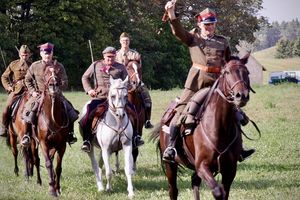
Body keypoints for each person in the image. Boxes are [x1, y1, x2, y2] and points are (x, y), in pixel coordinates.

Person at [162, 3, 255, 163]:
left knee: (235, 114)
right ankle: (171, 147)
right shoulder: (193, 38)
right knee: (180, 113)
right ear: (200, 24)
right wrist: (171, 13)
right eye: (206, 24)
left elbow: (227, 63)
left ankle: (238, 149)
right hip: (195, 83)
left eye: (211, 24)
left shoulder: (223, 41)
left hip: (218, 83)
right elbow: (178, 32)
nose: (209, 27)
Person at [80, 46, 144, 153]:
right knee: (87, 115)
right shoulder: (95, 65)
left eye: (112, 57)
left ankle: (135, 137)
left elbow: (126, 82)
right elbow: (85, 77)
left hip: (117, 99)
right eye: (108, 57)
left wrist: (128, 88)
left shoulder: (120, 67)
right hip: (100, 97)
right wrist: (89, 90)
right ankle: (87, 140)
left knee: (133, 111)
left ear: (115, 56)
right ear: (104, 56)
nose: (110, 59)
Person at [22, 42, 78, 146]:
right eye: (45, 53)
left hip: (57, 95)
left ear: (52, 53)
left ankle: (70, 134)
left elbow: (65, 81)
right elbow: (27, 80)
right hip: (39, 95)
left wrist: (58, 89)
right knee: (28, 110)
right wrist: (33, 91)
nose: (47, 55)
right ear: (41, 54)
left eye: (49, 53)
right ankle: (27, 135)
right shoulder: (35, 65)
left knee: (70, 111)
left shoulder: (59, 66)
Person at [116, 32, 153, 129]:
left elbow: (139, 68)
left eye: (127, 40)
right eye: (123, 41)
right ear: (120, 42)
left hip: (135, 79)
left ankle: (147, 120)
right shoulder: (116, 55)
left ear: (129, 41)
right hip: (120, 81)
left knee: (146, 96)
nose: (125, 42)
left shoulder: (135, 53)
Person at [0, 45, 32, 137]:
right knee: (7, 107)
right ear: (19, 54)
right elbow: (4, 77)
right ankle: (3, 128)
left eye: (26, 55)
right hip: (16, 90)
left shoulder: (33, 65)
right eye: (22, 55)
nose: (24, 57)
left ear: (29, 55)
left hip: (29, 90)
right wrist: (8, 87)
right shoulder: (13, 64)